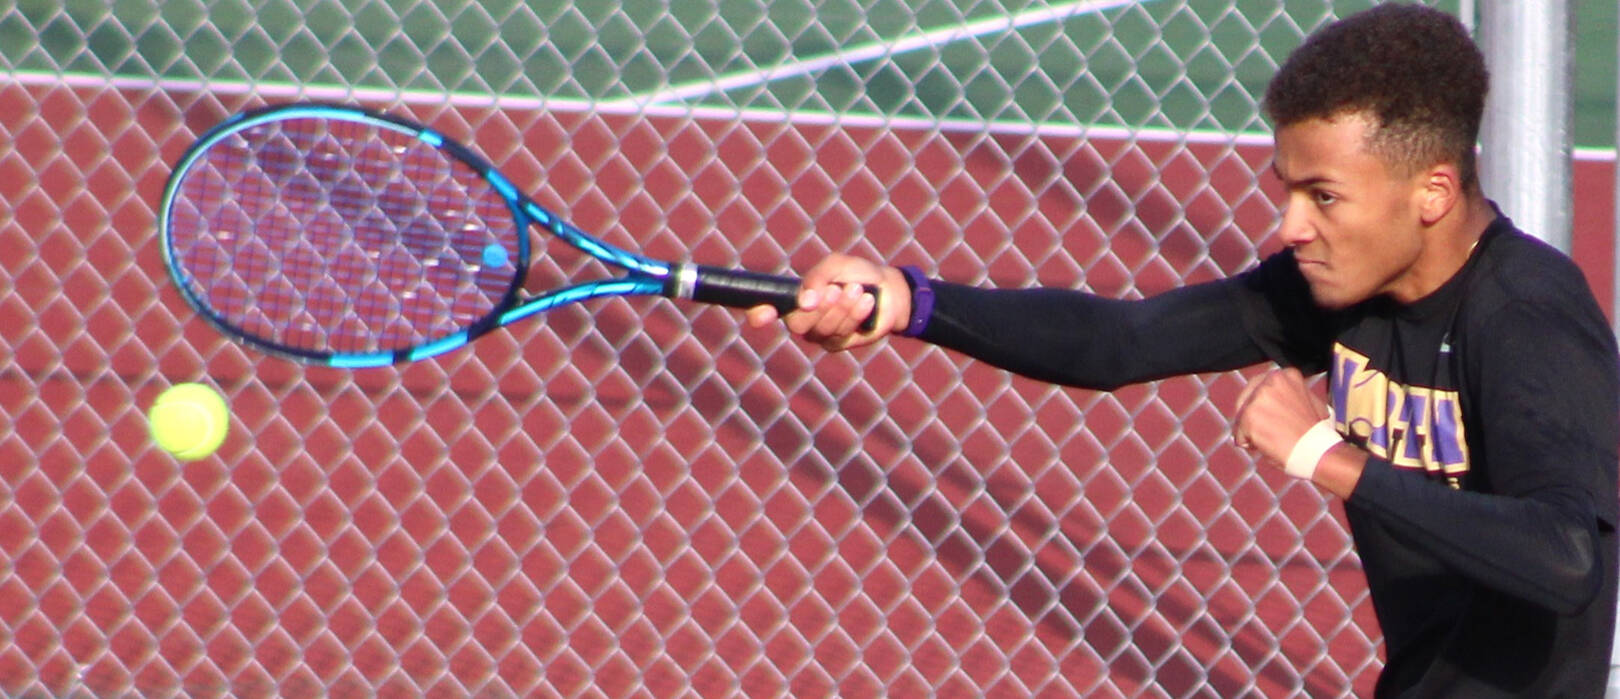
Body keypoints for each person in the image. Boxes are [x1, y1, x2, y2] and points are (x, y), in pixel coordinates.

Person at [746, 4, 1620, 696]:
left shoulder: (1527, 319)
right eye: (1288, 191)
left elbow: (1565, 556)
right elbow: (1120, 340)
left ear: (1430, 191)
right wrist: (910, 301)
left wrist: (1330, 457)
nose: (1290, 226)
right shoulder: (1337, 291)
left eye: (1323, 195)